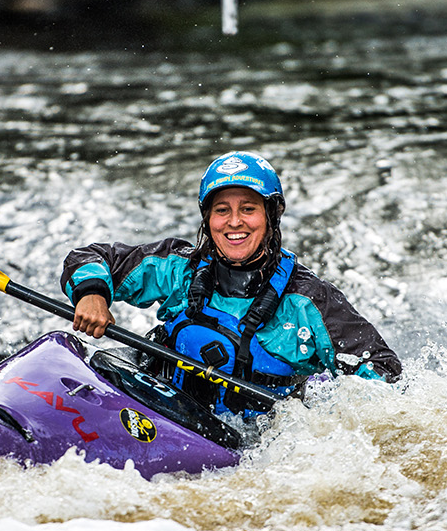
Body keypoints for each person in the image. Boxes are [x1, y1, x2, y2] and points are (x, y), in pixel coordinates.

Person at [62, 150, 402, 417]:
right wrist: (92, 295)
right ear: (208, 219)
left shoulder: (309, 301)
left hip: (251, 446)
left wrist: (344, 415)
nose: (234, 222)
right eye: (222, 210)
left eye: (248, 209)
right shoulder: (180, 268)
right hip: (162, 410)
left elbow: (383, 369)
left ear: (271, 215)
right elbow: (93, 257)